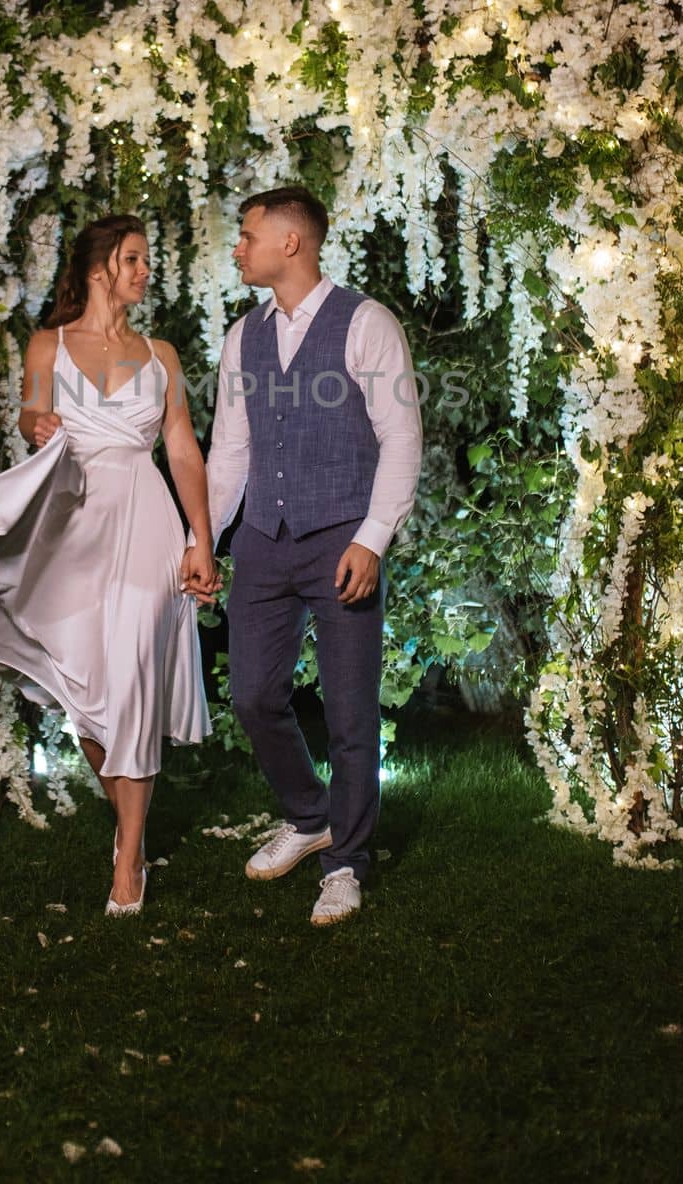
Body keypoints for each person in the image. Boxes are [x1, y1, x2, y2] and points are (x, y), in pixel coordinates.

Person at [0, 215, 219, 917]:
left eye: (147, 261)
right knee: (88, 691)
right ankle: (133, 829)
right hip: (72, 524)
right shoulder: (48, 344)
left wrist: (203, 538)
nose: (145, 271)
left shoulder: (163, 356)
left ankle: (128, 863)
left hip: (146, 520)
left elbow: (183, 449)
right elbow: (34, 419)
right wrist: (34, 424)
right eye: (135, 260)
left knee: (130, 676)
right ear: (99, 268)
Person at [205, 186, 422, 926]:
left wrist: (371, 538)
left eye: (246, 234)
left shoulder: (366, 324)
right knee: (253, 696)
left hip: (341, 539)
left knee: (351, 713)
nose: (237, 247)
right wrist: (206, 537)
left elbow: (401, 439)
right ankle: (309, 813)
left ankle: (346, 863)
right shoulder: (244, 336)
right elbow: (231, 448)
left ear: (289, 242)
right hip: (264, 541)